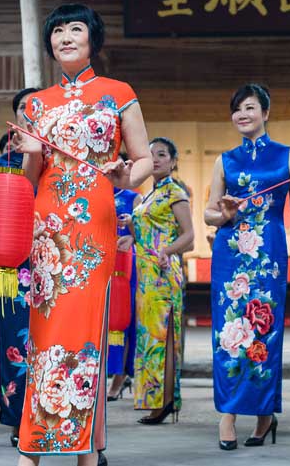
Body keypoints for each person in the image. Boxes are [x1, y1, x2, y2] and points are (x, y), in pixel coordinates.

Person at [14, 4, 151, 466]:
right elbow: (33, 176)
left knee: (83, 328)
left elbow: (144, 160)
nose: (65, 36)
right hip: (47, 226)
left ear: (93, 39)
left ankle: (83, 451)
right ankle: (36, 445)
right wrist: (30, 153)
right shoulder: (37, 103)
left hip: (93, 221)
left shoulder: (118, 93)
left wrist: (124, 176)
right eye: (57, 30)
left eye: (76, 29)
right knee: (44, 329)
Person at [203, 83, 290, 451]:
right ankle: (228, 415)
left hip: (268, 252)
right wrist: (225, 215)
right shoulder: (225, 160)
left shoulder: (288, 155)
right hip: (230, 253)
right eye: (237, 110)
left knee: (264, 333)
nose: (243, 115)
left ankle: (265, 415)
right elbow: (208, 212)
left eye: (250, 108)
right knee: (228, 332)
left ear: (265, 113)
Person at [127, 137, 193, 424]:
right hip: (145, 276)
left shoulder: (175, 192)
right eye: (150, 154)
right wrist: (130, 234)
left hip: (165, 273)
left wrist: (167, 250)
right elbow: (146, 231)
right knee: (149, 339)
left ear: (173, 161)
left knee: (165, 337)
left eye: (162, 154)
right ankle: (154, 399)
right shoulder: (147, 195)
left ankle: (166, 401)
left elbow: (188, 236)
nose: (155, 159)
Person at [0, 87, 38, 448]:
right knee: (15, 341)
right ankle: (18, 417)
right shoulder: (4, 164)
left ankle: (49, 414)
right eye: (23, 107)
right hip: (15, 268)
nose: (29, 112)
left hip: (53, 260)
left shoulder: (58, 159)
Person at [107, 153, 142, 402]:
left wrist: (131, 232)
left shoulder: (134, 197)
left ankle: (119, 378)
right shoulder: (95, 196)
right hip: (100, 264)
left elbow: (144, 233)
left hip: (124, 265)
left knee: (123, 320)